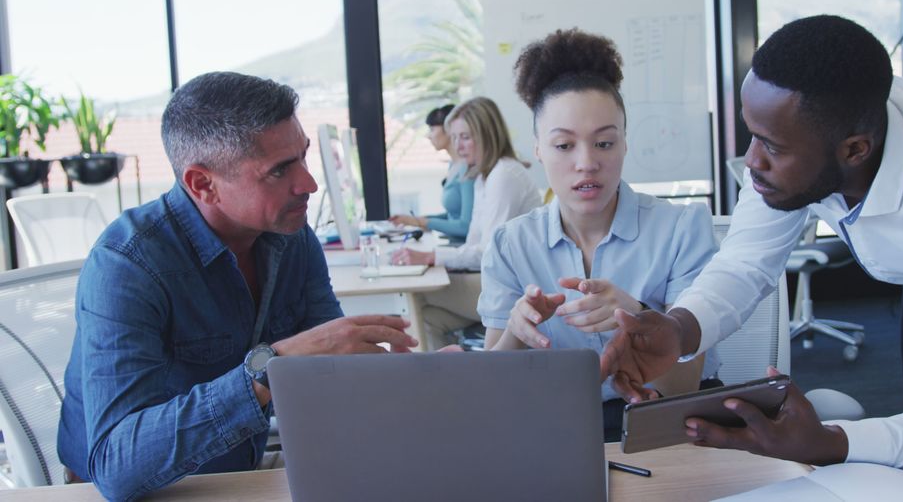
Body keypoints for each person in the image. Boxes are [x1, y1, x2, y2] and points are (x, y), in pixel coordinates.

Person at [600, 15, 903, 473]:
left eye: (772, 146)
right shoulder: (812, 132)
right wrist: (681, 329)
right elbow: (746, 261)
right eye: (752, 134)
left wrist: (832, 443)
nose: (751, 161)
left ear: (855, 150)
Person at [56, 72, 418, 500]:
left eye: (302, 157)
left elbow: (330, 374)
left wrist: (415, 385)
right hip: (146, 491)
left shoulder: (293, 238)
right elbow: (117, 466)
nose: (309, 184)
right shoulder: (127, 263)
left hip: (241, 474)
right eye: (280, 170)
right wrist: (271, 365)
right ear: (202, 184)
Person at [479, 28, 721, 441]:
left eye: (604, 143)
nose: (586, 163)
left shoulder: (682, 228)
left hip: (666, 427)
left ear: (625, 143)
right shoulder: (510, 245)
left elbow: (685, 388)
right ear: (537, 148)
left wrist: (641, 317)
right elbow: (493, 389)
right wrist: (518, 334)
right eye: (563, 146)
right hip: (557, 429)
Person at [392, 97, 541, 348]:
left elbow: (487, 254)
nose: (457, 146)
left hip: (516, 289)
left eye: (465, 137)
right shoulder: (485, 176)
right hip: (496, 281)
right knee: (426, 319)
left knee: (416, 294)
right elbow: (474, 242)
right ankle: (443, 384)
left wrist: (431, 257)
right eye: (455, 137)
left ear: (486, 135)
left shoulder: (504, 176)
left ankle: (433, 382)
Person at [389, 104, 474, 244]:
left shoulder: (467, 169)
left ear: (448, 128)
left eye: (432, 129)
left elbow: (465, 226)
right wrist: (416, 221)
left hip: (463, 251)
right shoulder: (453, 166)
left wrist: (422, 221)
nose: (429, 135)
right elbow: (453, 216)